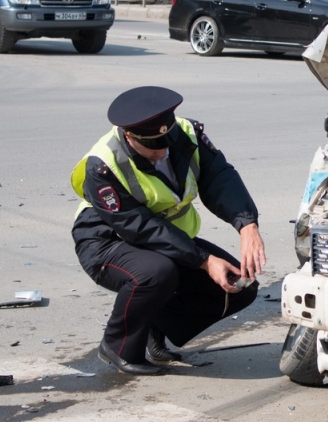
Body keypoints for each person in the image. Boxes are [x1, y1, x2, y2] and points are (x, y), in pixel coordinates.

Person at [70, 86, 265, 375]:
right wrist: (203, 259)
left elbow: (219, 178)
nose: (162, 152)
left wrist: (247, 224)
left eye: (167, 143)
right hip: (108, 243)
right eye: (152, 148)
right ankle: (118, 345)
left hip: (171, 241)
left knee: (238, 288)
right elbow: (141, 228)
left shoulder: (186, 134)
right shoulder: (102, 166)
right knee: (157, 274)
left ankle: (152, 327)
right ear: (128, 136)